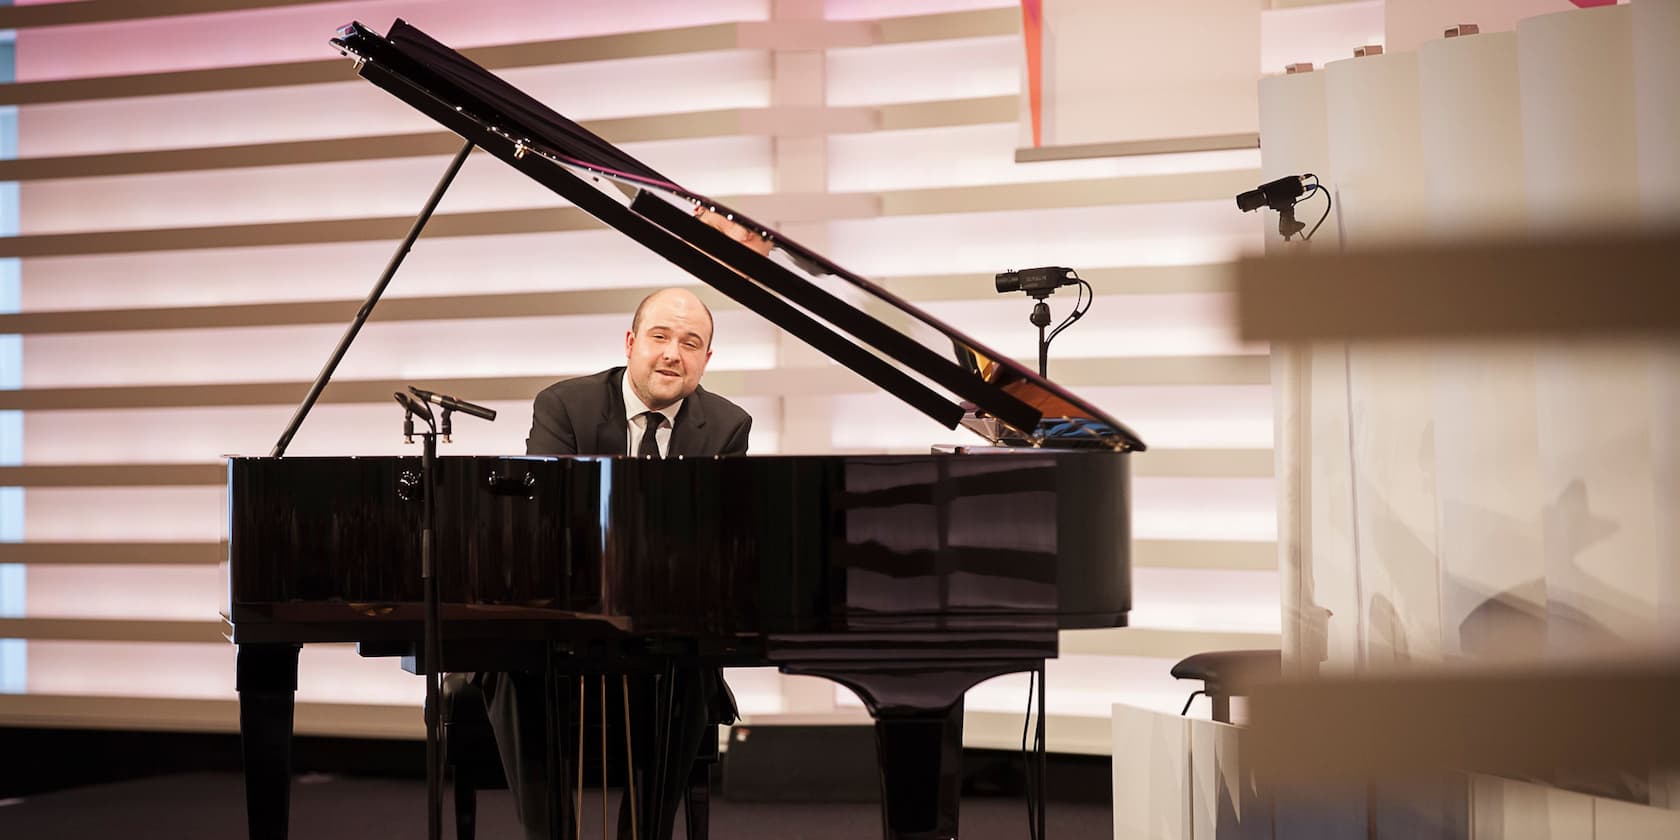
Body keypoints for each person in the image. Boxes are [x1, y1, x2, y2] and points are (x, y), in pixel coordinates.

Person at [479, 285, 751, 840]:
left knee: (693, 669)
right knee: (509, 661)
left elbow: (719, 539)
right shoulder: (565, 406)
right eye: (660, 336)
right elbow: (543, 522)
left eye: (691, 342)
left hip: (665, 623)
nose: (673, 353)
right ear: (630, 342)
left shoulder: (727, 425)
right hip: (565, 615)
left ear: (706, 359)